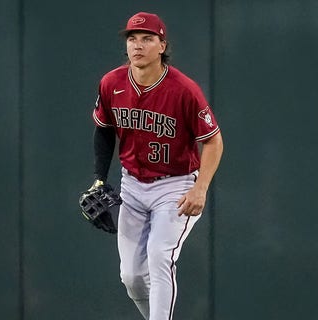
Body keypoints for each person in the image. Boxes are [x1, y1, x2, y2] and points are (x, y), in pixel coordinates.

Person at [88, 11, 223, 320]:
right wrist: (98, 178)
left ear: (162, 45)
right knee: (132, 277)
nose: (138, 45)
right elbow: (104, 129)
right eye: (132, 39)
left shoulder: (184, 90)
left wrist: (200, 188)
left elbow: (214, 142)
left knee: (159, 256)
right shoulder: (111, 83)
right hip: (132, 185)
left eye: (147, 39)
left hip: (175, 185)